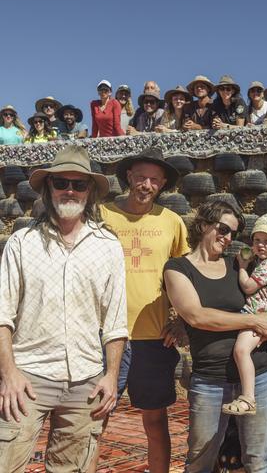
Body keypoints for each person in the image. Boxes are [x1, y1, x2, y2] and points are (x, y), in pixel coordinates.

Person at [0, 145, 127, 472]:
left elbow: (115, 322)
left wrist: (111, 376)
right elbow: (2, 314)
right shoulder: (21, 243)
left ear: (90, 192)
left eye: (79, 184)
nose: (70, 190)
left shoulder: (108, 246)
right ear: (48, 188)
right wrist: (9, 374)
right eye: (61, 183)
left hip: (85, 381)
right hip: (27, 378)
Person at [164, 200, 267, 472]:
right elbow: (197, 316)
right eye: (222, 228)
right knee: (201, 460)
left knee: (258, 459)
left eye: (232, 232)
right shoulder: (178, 268)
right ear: (203, 224)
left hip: (259, 375)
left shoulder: (237, 264)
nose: (227, 237)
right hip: (210, 380)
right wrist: (254, 320)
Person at [97, 148, 189, 473]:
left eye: (154, 179)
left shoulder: (172, 222)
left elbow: (187, 276)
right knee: (96, 418)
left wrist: (182, 323)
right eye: (140, 177)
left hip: (153, 338)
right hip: (106, 336)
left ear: (162, 184)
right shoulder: (101, 215)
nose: (146, 184)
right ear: (129, 178)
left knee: (155, 421)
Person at [222, 213, 267, 416]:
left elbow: (249, 286)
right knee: (242, 351)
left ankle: (248, 398)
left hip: (261, 316)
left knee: (241, 351)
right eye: (257, 240)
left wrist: (242, 268)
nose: (260, 245)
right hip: (263, 314)